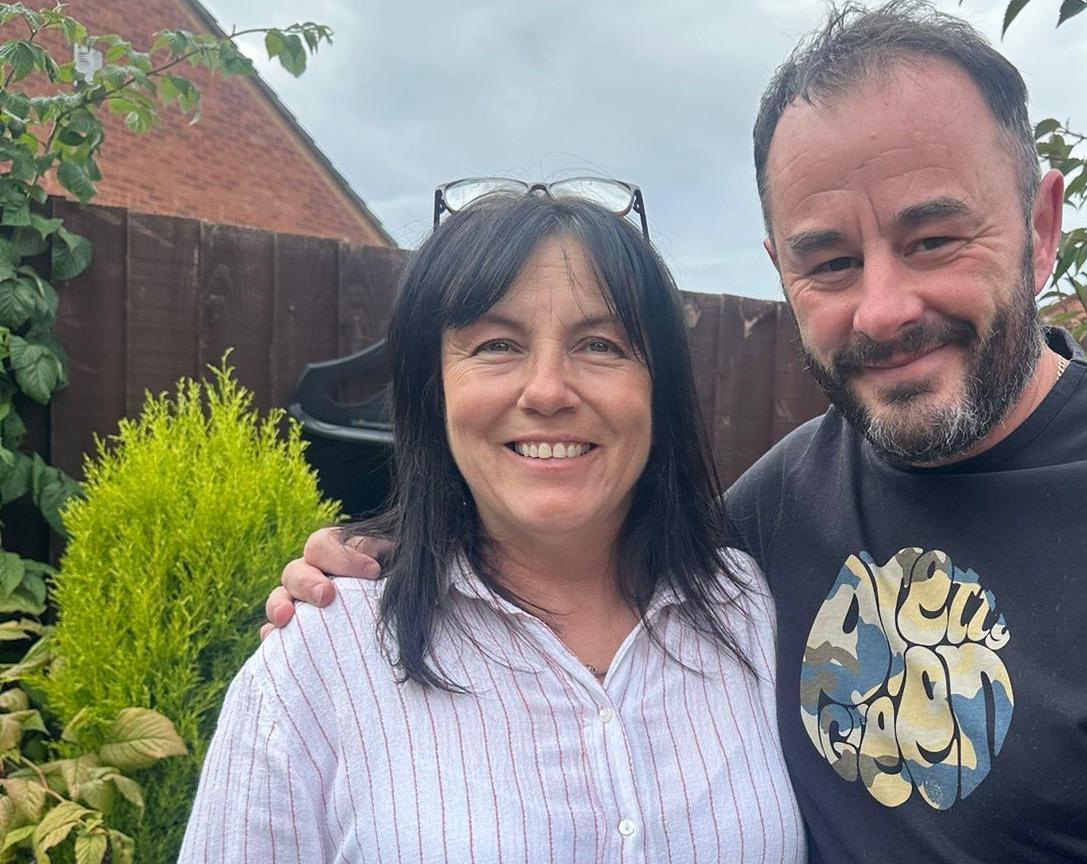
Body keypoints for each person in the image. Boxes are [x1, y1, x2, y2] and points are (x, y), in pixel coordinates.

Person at [268, 3, 1087, 862]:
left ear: (1040, 228)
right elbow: (579, 564)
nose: (882, 307)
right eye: (830, 260)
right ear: (781, 270)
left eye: (935, 238)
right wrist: (382, 557)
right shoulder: (770, 523)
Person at [182, 189, 806, 862]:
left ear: (659, 390)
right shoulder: (324, 656)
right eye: (496, 344)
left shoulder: (749, 608)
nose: (546, 390)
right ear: (435, 388)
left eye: (599, 344)